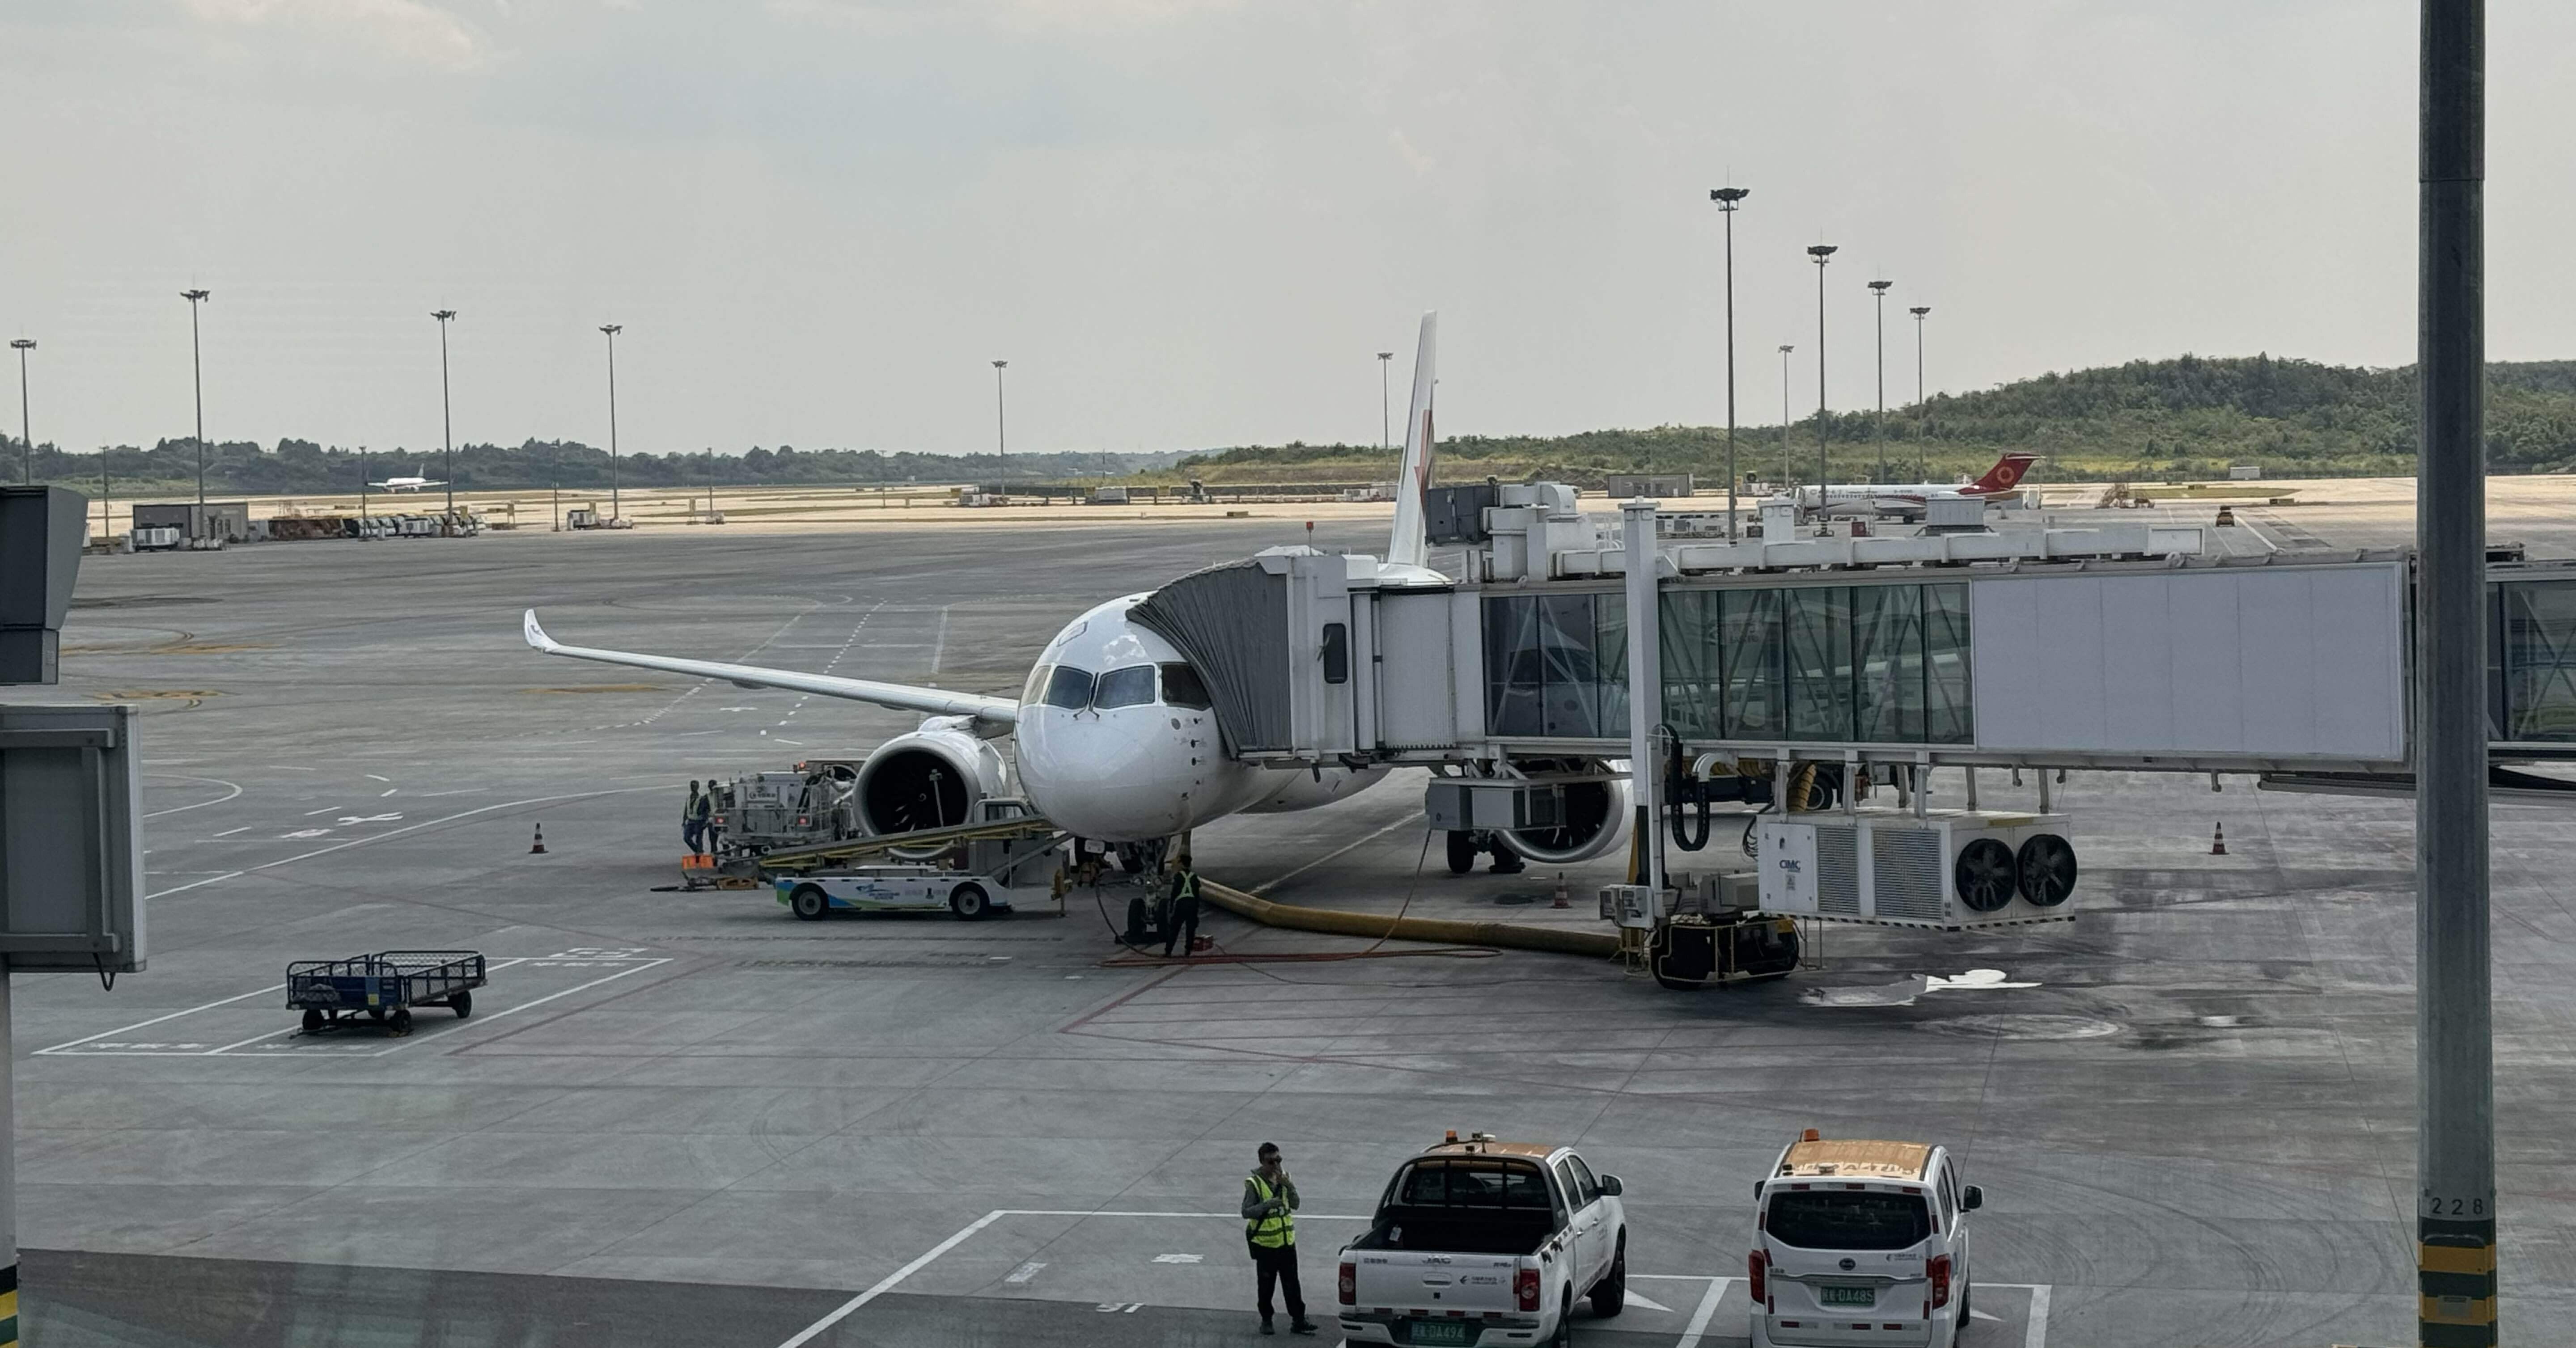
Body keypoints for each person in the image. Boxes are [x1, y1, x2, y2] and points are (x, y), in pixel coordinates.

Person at [1242, 1142, 1316, 1335]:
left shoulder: (1285, 1179)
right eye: (1271, 1162)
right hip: (1266, 1245)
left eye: (1278, 1160)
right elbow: (1246, 1212)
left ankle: (1299, 1319)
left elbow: (1296, 1204)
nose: (1276, 1165)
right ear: (1262, 1162)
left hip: (1286, 1243)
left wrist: (1288, 1185)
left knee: (1292, 1284)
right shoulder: (1254, 1184)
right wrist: (1266, 1205)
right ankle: (1267, 1320)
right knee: (1266, 1286)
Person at [1162, 854, 1202, 958]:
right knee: (1191, 929)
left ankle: (1168, 951)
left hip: (1182, 904)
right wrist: (1197, 911)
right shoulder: (1194, 877)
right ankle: (1188, 951)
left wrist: (1171, 907)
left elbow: (1174, 893)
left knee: (1175, 929)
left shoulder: (1178, 877)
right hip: (1192, 905)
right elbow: (1197, 895)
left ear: (1182, 863)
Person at [692, 779, 718, 854]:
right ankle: (714, 857)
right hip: (712, 821)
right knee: (713, 841)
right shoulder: (707, 798)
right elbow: (701, 810)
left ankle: (720, 855)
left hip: (718, 820)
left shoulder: (721, 796)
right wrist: (706, 817)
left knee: (720, 840)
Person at [682, 781, 705, 854]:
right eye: (692, 786)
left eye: (695, 786)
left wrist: (705, 821)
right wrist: (684, 821)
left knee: (699, 839)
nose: (693, 788)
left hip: (698, 821)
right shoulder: (688, 798)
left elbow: (704, 810)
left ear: (698, 787)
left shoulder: (701, 798)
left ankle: (699, 852)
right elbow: (686, 809)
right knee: (687, 838)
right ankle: (698, 851)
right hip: (690, 821)